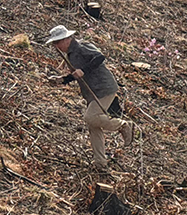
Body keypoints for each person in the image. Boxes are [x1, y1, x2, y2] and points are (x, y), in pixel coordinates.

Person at [46, 25, 135, 169]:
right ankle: (100, 163)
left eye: (57, 42)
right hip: (92, 92)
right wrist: (62, 80)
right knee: (93, 125)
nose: (56, 46)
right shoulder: (70, 55)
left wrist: (83, 70)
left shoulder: (81, 47)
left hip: (104, 88)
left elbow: (99, 57)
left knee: (90, 117)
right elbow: (78, 74)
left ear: (67, 39)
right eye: (54, 43)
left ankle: (123, 125)